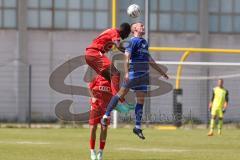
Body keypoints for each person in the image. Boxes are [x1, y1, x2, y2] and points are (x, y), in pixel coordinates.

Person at [101, 22, 169, 140]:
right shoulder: (133, 41)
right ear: (135, 29)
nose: (143, 27)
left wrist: (161, 72)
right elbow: (127, 57)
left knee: (141, 101)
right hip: (133, 74)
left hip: (144, 75)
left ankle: (137, 127)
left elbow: (149, 59)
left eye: (143, 25)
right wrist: (127, 72)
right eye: (140, 25)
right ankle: (106, 116)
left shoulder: (144, 42)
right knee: (120, 94)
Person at [85, 23, 131, 96]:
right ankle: (117, 99)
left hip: (89, 55)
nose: (127, 36)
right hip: (94, 53)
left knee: (111, 78)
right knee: (115, 73)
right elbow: (119, 46)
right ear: (125, 31)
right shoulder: (115, 33)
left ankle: (111, 101)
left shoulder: (111, 32)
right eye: (128, 34)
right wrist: (131, 53)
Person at [88, 75, 113, 160]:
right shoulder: (97, 78)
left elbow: (115, 93)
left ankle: (100, 152)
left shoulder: (112, 81)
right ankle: (92, 151)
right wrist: (93, 97)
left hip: (106, 109)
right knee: (93, 128)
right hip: (95, 107)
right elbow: (89, 87)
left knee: (104, 129)